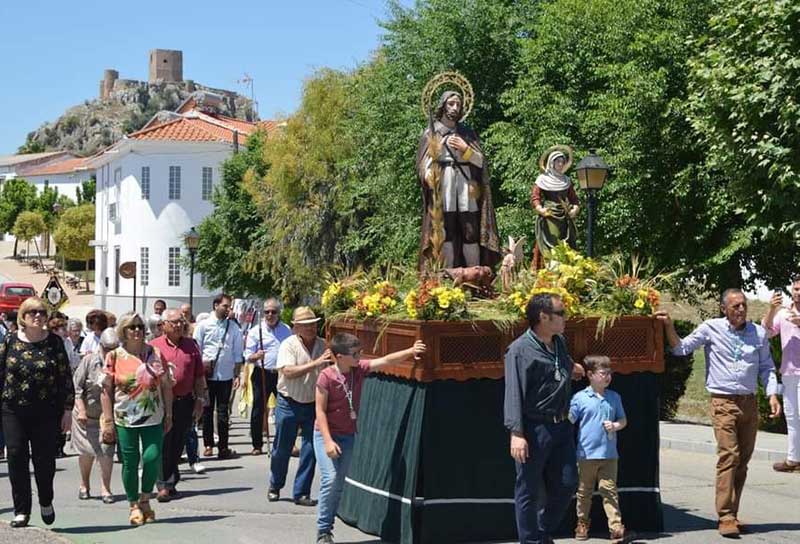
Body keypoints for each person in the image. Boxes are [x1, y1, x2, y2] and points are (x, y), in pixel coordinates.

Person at [656, 288, 782, 538]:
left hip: (749, 403)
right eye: (735, 306)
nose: (741, 310)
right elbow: (681, 348)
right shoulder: (710, 328)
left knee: (742, 462)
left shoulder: (757, 333)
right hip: (722, 402)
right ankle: (724, 515)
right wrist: (668, 326)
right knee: (729, 456)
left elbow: (767, 367)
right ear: (724, 309)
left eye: (743, 305)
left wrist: (772, 394)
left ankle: (732, 513)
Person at [314, 333, 426, 544]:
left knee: (338, 483)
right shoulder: (326, 377)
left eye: (359, 352)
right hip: (325, 434)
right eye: (354, 353)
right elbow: (320, 412)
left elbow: (385, 360)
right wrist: (328, 441)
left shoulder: (359, 371)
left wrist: (411, 351)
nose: (359, 356)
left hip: (347, 436)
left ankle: (327, 528)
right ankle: (322, 530)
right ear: (339, 356)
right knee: (329, 478)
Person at [504, 293, 580, 544]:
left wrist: (572, 367)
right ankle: (530, 540)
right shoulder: (519, 350)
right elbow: (514, 391)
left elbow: (559, 365)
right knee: (528, 489)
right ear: (543, 317)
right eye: (561, 313)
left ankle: (541, 529)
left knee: (568, 483)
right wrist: (517, 433)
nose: (565, 318)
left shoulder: (558, 342)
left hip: (561, 426)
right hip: (535, 428)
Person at [0, 297, 74, 528]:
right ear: (23, 315)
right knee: (15, 454)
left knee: (44, 461)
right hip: (12, 409)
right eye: (32, 312)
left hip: (46, 411)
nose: (38, 316)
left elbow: (65, 377)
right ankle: (21, 510)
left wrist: (68, 410)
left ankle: (45, 499)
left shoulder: (54, 343)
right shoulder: (10, 341)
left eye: (42, 312)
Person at [101, 312, 173, 526]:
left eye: (140, 326)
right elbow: (106, 390)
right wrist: (107, 420)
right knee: (130, 462)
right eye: (132, 327)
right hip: (125, 417)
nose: (137, 331)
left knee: (152, 457)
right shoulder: (114, 356)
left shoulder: (155, 353)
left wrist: (169, 412)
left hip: (153, 415)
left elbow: (166, 385)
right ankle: (134, 504)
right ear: (123, 330)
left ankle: (145, 498)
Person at [416, 90, 501, 269]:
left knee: (470, 231)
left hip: (465, 186)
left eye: (458, 104)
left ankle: (475, 278)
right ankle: (448, 276)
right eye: (451, 104)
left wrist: (466, 149)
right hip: (444, 185)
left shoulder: (467, 133)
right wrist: (430, 173)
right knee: (445, 232)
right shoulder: (432, 133)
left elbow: (480, 162)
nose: (455, 108)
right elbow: (424, 166)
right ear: (443, 106)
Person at [269, 306, 330, 506]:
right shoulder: (288, 344)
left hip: (313, 403)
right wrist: (316, 363)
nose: (311, 328)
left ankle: (301, 492)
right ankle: (275, 485)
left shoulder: (323, 345)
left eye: (313, 324)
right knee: (282, 448)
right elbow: (288, 371)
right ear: (296, 328)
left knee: (311, 449)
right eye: (305, 325)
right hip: (289, 402)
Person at [569, 355, 628, 543]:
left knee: (609, 491)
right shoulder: (580, 398)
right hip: (586, 455)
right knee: (584, 491)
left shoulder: (614, 397)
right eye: (603, 373)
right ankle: (582, 523)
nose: (607, 377)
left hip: (609, 455)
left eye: (609, 373)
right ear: (590, 375)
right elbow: (570, 419)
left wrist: (616, 426)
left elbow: (623, 420)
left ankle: (616, 527)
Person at [152, 308, 206, 501]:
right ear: (163, 325)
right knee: (164, 444)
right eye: (173, 322)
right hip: (162, 403)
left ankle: (171, 479)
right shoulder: (154, 346)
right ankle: (164, 484)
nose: (178, 325)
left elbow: (199, 376)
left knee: (178, 444)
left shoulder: (191, 345)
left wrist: (200, 400)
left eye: (180, 321)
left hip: (185, 402)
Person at [193, 294, 243, 459]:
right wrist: (198, 374)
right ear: (216, 306)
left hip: (226, 376)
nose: (228, 309)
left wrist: (237, 374)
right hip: (207, 375)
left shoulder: (233, 327)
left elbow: (237, 353)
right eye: (225, 306)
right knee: (207, 410)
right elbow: (196, 349)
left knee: (223, 412)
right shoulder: (204, 325)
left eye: (229, 307)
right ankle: (208, 445)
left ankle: (223, 446)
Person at [73, 327, 118, 504]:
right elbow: (76, 388)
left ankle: (106, 488)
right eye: (107, 348)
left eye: (113, 348)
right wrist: (81, 410)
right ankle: (84, 484)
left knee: (106, 452)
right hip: (86, 415)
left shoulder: (120, 362)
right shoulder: (89, 361)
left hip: (107, 417)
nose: (110, 352)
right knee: (86, 452)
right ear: (101, 346)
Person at [243, 298, 292, 455]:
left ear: (279, 313)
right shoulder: (255, 331)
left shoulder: (286, 330)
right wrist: (256, 355)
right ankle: (257, 444)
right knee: (258, 409)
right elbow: (247, 356)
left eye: (273, 312)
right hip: (261, 373)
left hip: (281, 374)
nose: (270, 315)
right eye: (267, 312)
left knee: (285, 409)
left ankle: (284, 442)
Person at [762, 276, 800, 472]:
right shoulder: (783, 313)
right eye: (795, 288)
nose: (797, 292)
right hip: (788, 372)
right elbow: (766, 332)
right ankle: (793, 459)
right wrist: (771, 309)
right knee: (792, 416)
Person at [531, 149, 579, 270]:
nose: (561, 164)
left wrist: (575, 209)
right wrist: (540, 209)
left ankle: (564, 269)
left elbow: (574, 199)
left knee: (566, 242)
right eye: (558, 161)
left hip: (564, 215)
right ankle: (549, 268)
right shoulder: (542, 179)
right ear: (551, 163)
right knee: (551, 241)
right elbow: (535, 197)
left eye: (563, 162)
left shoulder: (566, 180)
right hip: (549, 215)